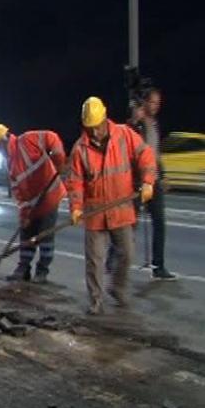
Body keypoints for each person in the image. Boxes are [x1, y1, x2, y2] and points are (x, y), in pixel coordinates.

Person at [68, 97, 156, 315]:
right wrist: (76, 207)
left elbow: (146, 154)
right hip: (95, 212)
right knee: (95, 261)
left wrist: (148, 182)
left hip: (121, 208)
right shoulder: (80, 148)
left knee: (127, 253)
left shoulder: (124, 135)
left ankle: (117, 288)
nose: (94, 132)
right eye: (90, 128)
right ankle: (96, 300)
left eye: (97, 126)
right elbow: (75, 182)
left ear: (105, 119)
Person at [0, 125, 67, 283]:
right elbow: (19, 195)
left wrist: (59, 160)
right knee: (26, 235)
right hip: (32, 205)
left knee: (44, 237)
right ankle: (23, 268)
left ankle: (42, 272)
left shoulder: (27, 139)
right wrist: (24, 216)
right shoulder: (10, 165)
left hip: (49, 197)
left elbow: (52, 137)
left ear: (4, 141)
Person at [129, 88, 176, 280]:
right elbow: (127, 144)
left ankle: (159, 266)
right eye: (153, 102)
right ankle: (114, 262)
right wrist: (133, 121)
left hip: (154, 181)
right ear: (145, 103)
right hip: (137, 181)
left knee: (160, 222)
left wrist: (162, 175)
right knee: (129, 224)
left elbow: (155, 154)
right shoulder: (137, 124)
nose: (156, 106)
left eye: (158, 103)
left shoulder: (154, 125)